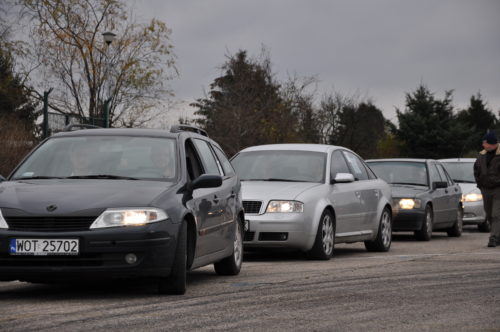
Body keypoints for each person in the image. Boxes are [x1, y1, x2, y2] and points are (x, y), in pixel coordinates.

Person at [474, 130, 500, 247]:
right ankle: (498, 234)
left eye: (485, 142)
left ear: (492, 143)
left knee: (496, 214)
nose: (483, 144)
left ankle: (493, 238)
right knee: (489, 214)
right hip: (485, 189)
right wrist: (479, 183)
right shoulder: (481, 155)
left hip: (498, 189)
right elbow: (476, 170)